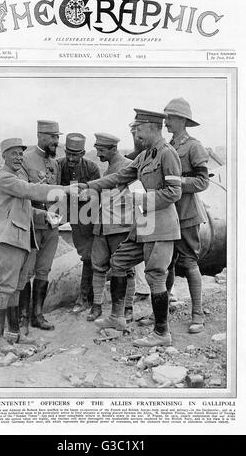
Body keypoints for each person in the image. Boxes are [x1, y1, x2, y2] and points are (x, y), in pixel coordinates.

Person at [78, 109, 182, 347]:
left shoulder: (167, 154)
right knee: (119, 262)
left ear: (153, 127)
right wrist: (89, 185)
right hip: (143, 224)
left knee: (155, 275)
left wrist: (139, 200)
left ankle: (161, 333)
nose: (136, 133)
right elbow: (120, 176)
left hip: (162, 225)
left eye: (139, 128)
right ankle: (117, 318)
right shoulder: (146, 156)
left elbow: (174, 192)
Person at [0, 138, 65, 353]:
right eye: (13, 153)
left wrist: (46, 214)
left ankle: (15, 334)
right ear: (4, 155)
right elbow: (31, 191)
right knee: (6, 287)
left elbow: (27, 210)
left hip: (22, 240)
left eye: (21, 154)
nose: (18, 157)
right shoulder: (5, 178)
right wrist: (65, 190)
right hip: (9, 240)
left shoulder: (14, 181)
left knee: (17, 288)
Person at [163, 97, 209, 333]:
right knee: (167, 262)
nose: (166, 122)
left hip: (187, 214)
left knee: (189, 262)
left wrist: (178, 181)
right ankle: (165, 306)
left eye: (169, 117)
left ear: (181, 120)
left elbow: (203, 182)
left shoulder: (193, 146)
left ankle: (197, 314)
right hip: (168, 213)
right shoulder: (168, 145)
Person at [18, 120, 62, 333]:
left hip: (52, 227)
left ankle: (37, 315)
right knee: (27, 272)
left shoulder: (54, 163)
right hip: (32, 225)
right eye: (53, 137)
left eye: (57, 137)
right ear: (40, 135)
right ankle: (23, 318)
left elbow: (58, 193)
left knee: (44, 270)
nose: (56, 141)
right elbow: (23, 194)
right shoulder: (25, 160)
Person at [88, 133, 135, 322]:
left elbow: (136, 196)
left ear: (113, 149)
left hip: (120, 226)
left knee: (124, 268)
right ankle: (97, 306)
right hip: (102, 225)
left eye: (101, 151)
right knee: (98, 265)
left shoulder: (128, 167)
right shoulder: (108, 169)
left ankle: (128, 308)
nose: (98, 154)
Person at [58, 133, 100, 313]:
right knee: (84, 254)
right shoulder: (59, 165)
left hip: (87, 218)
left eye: (75, 155)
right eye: (68, 153)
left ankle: (84, 298)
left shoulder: (92, 168)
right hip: (67, 216)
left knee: (88, 256)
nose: (71, 158)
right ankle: (88, 296)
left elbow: (98, 192)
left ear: (83, 153)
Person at [126, 121, 151, 303]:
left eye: (138, 131)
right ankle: (142, 288)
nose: (136, 136)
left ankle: (166, 290)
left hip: (155, 204)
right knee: (140, 243)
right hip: (138, 206)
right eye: (133, 132)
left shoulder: (154, 154)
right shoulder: (133, 157)